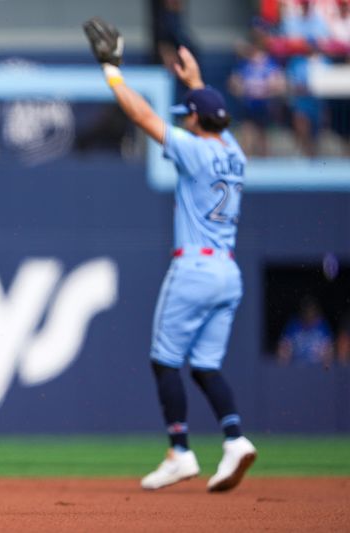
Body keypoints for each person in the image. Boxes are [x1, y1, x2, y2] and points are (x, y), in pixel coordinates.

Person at [84, 18, 257, 492]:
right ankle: (235, 439)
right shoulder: (233, 152)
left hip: (195, 268)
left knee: (165, 360)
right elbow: (213, 118)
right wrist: (197, 83)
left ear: (199, 121)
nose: (184, 117)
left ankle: (179, 451)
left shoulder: (196, 149)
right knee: (204, 366)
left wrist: (112, 71)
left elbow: (142, 116)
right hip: (228, 271)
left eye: (189, 113)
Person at [276, 295, 334, 366]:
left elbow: (329, 354)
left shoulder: (322, 326)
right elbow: (283, 350)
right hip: (295, 369)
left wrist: (325, 368)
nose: (309, 314)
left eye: (311, 311)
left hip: (317, 370)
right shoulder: (293, 325)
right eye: (306, 311)